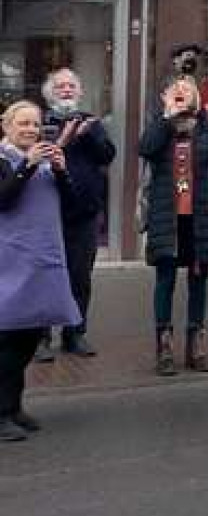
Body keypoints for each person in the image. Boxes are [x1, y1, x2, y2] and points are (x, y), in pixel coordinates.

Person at [0, 101, 81, 442]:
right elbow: (3, 200)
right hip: (10, 263)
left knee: (31, 336)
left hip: (43, 263)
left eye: (35, 124)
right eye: (23, 123)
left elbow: (78, 207)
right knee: (6, 339)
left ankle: (14, 406)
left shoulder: (48, 163)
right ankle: (1, 414)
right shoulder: (5, 161)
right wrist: (27, 167)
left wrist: (62, 172)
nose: (31, 130)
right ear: (6, 127)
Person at [138, 75, 208, 376]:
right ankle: (164, 348)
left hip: (198, 217)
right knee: (165, 280)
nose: (183, 93)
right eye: (177, 90)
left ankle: (196, 346)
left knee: (198, 280)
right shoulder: (161, 126)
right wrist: (167, 116)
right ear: (166, 97)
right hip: (168, 216)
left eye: (189, 90)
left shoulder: (205, 127)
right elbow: (145, 148)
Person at [34, 67, 116, 360]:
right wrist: (64, 140)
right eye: (60, 87)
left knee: (79, 277)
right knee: (45, 275)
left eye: (71, 86)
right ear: (50, 93)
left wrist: (90, 135)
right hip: (47, 213)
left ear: (79, 92)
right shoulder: (40, 123)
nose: (66, 90)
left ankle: (74, 333)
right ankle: (40, 337)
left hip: (83, 214)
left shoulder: (90, 122)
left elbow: (107, 155)